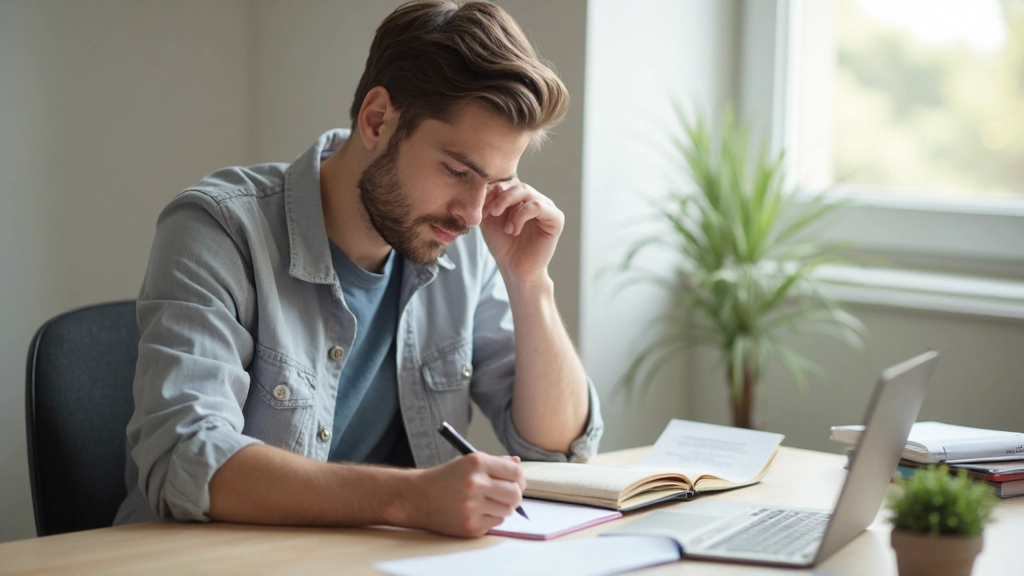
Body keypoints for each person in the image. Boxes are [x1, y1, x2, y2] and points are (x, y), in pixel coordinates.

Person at [113, 0, 603, 538]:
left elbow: (555, 448)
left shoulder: (459, 243)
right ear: (377, 120)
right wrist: (407, 498)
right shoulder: (219, 229)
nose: (471, 212)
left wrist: (530, 283)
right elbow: (185, 457)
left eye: (493, 184)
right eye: (458, 170)